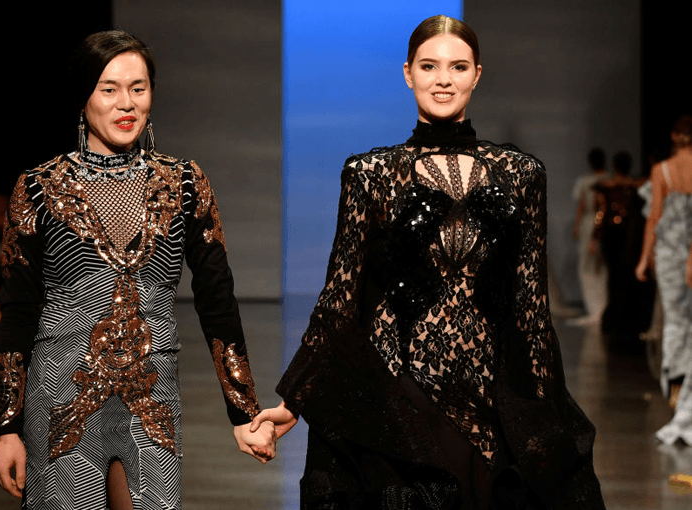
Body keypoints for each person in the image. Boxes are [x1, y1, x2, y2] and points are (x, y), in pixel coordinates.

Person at [252, 15, 604, 509]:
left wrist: (544, 419)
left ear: (477, 74)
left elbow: (531, 310)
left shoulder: (523, 175)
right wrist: (296, 400)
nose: (443, 79)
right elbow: (340, 299)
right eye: (429, 66)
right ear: (407, 74)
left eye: (458, 66)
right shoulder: (371, 175)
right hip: (399, 394)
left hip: (489, 396)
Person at [0, 30, 276, 510]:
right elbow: (17, 311)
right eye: (109, 89)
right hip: (60, 394)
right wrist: (6, 427)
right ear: (83, 96)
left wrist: (243, 410)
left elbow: (217, 300)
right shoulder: (38, 187)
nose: (127, 103)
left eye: (138, 88)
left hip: (151, 395)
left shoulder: (185, 182)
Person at [635, 114, 692, 444]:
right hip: (684, 254)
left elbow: (654, 218)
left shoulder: (662, 170)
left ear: (674, 136)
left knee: (674, 322)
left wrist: (644, 258)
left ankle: (676, 391)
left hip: (670, 254)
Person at [592, 151, 652, 349]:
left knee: (614, 275)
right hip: (628, 235)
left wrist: (595, 235)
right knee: (622, 274)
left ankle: (615, 316)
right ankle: (619, 315)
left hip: (614, 234)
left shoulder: (609, 185)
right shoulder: (634, 185)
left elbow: (601, 212)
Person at [569, 148, 608, 326]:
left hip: (591, 224)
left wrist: (576, 227)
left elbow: (582, 207)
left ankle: (596, 310)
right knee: (602, 267)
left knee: (588, 267)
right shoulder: (608, 178)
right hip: (606, 225)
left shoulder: (586, 182)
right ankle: (602, 308)